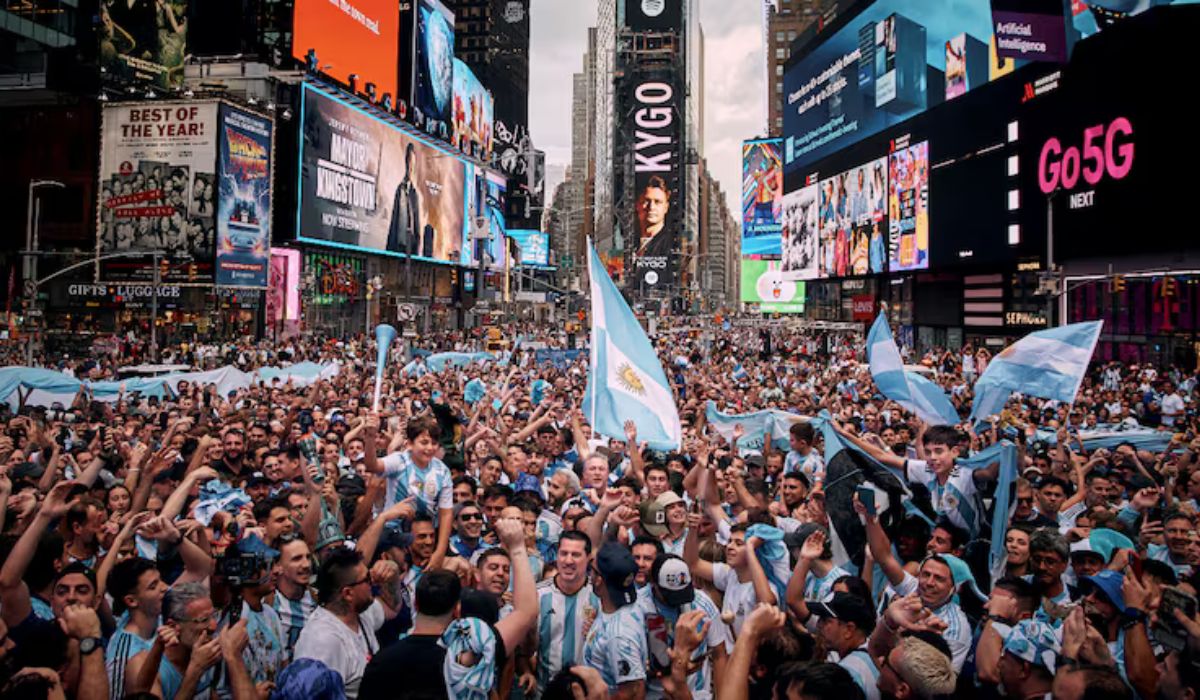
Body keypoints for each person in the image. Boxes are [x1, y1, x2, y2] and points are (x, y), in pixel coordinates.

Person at [292, 548, 386, 699]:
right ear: (348, 593)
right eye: (367, 579)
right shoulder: (322, 641)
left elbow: (392, 608)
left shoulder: (361, 613)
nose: (372, 582)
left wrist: (393, 576)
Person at [636, 553, 731, 699]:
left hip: (697, 693)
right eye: (671, 594)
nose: (678, 601)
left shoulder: (702, 604)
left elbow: (719, 654)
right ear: (654, 584)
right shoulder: (637, 608)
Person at [534, 530, 597, 694]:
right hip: (544, 691)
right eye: (563, 553)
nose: (568, 560)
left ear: (588, 558)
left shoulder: (599, 596)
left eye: (576, 555)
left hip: (587, 692)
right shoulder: (538, 595)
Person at [583, 542, 648, 696]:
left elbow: (634, 690)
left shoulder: (619, 636)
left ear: (599, 580)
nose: (589, 575)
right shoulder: (630, 605)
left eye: (591, 570)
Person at [808, 592, 879, 700]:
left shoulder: (848, 672)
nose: (818, 625)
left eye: (826, 620)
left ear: (849, 630)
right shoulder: (872, 652)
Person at [386, 143, 421, 255]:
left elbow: (417, 226)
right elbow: (394, 222)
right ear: (406, 163)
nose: (411, 168)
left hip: (411, 250)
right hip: (398, 248)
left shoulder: (414, 194)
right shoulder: (399, 189)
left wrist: (416, 252)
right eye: (409, 162)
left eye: (413, 164)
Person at [635, 177, 673, 259]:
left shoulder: (672, 244)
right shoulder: (627, 241)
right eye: (646, 201)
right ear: (637, 205)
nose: (651, 207)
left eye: (657, 202)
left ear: (666, 207)